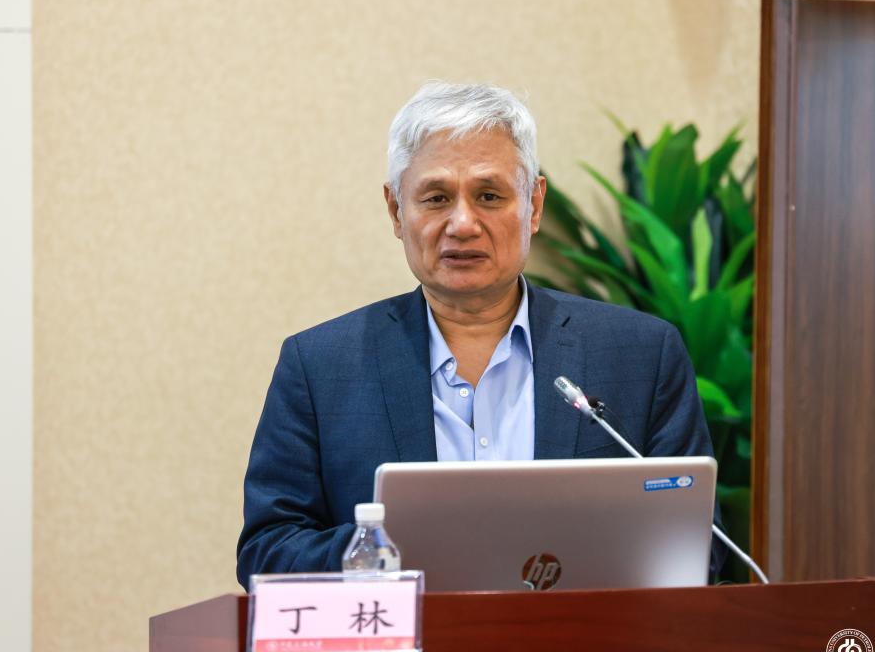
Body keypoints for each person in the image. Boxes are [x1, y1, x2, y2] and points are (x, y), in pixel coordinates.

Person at [237, 82, 720, 589]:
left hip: (584, 639)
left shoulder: (641, 355)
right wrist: (398, 547)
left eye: (489, 196)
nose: (463, 224)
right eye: (436, 198)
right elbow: (268, 551)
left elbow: (699, 548)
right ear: (397, 211)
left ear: (533, 205)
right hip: (405, 641)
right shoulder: (319, 366)